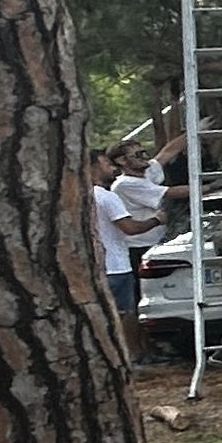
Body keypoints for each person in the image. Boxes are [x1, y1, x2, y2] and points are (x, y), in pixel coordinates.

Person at [89, 150, 150, 354]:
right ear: (93, 167)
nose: (112, 167)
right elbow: (129, 228)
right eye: (105, 162)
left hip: (95, 267)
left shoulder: (80, 196)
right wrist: (157, 219)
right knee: (126, 314)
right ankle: (132, 356)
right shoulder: (107, 197)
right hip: (116, 266)